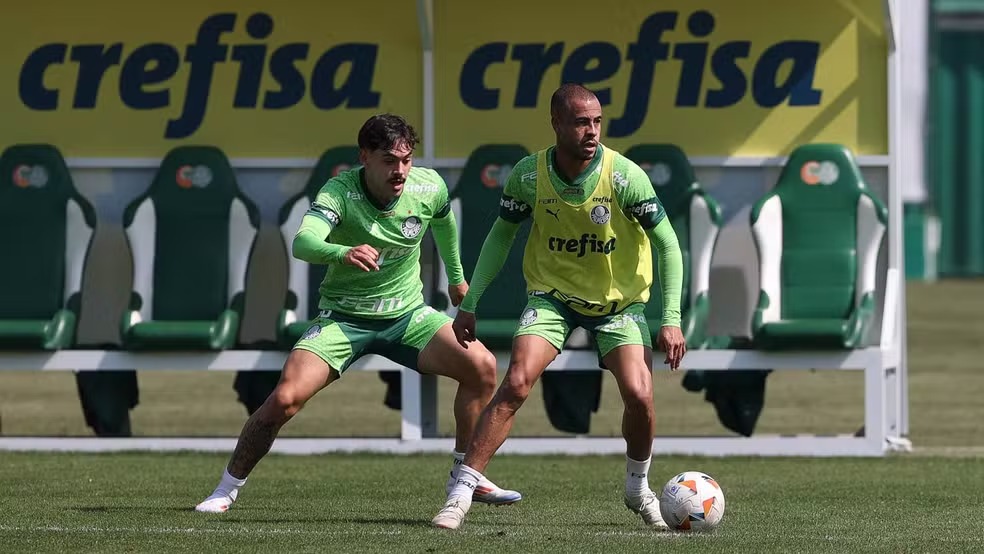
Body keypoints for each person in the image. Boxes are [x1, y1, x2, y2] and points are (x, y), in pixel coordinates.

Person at [196, 114, 520, 513]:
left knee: (482, 366)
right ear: (364, 157)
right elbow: (304, 242)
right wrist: (341, 252)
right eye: (388, 160)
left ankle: (464, 474)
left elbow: (444, 222)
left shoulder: (428, 186)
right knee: (284, 399)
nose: (399, 170)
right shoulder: (340, 192)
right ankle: (225, 488)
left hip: (407, 317)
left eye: (406, 159)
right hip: (344, 320)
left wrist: (456, 279)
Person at [431, 84, 687, 530]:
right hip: (552, 299)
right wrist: (470, 303)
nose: (592, 131)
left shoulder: (625, 176)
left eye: (597, 122)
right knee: (515, 383)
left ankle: (637, 487)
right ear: (556, 123)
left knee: (641, 396)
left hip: (618, 305)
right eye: (581, 122)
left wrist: (671, 319)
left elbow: (667, 242)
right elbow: (500, 237)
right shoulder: (529, 175)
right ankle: (460, 494)